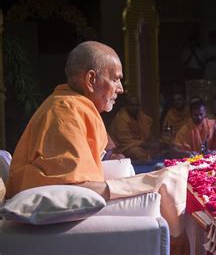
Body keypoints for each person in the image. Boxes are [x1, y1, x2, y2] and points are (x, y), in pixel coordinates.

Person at [5, 41, 189, 254]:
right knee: (168, 180)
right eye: (116, 79)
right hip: (57, 204)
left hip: (68, 193)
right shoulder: (64, 112)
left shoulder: (72, 104)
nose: (121, 89)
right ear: (91, 80)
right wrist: (146, 183)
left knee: (167, 177)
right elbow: (75, 190)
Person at [108, 95, 160, 163]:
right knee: (137, 152)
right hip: (124, 148)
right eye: (132, 105)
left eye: (137, 105)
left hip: (141, 144)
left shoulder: (140, 116)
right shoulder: (121, 119)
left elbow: (148, 133)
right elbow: (125, 141)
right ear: (126, 106)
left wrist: (152, 142)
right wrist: (146, 145)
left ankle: (148, 155)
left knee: (157, 145)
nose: (135, 108)